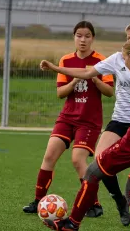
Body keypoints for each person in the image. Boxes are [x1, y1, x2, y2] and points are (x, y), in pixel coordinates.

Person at [38, 22, 130, 226]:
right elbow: (86, 73)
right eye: (127, 38)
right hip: (120, 120)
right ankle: (120, 202)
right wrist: (54, 67)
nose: (128, 43)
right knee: (100, 159)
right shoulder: (118, 58)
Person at [22, 21, 115, 218]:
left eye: (87, 36)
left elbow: (109, 92)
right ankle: (38, 201)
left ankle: (94, 204)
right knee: (49, 157)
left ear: (93, 38)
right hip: (67, 118)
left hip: (89, 121)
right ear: (74, 37)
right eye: (79, 35)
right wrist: (74, 80)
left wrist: (94, 77)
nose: (83, 40)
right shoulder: (66, 60)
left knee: (77, 159)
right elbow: (60, 93)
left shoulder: (101, 61)